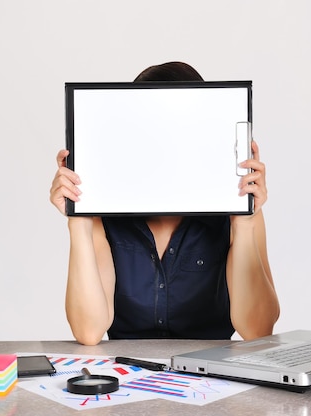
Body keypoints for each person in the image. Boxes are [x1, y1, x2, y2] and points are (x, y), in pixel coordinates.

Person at [50, 61, 279, 345]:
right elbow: (89, 331)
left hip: (214, 378)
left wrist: (244, 223)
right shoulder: (105, 213)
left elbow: (258, 330)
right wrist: (78, 219)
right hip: (128, 378)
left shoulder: (241, 214)